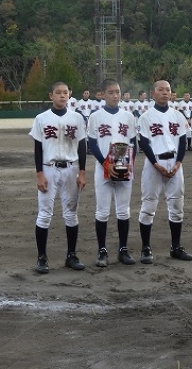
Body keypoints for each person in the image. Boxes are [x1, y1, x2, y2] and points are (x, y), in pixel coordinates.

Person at [29, 81, 88, 274]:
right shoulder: (41, 118)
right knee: (45, 214)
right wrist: (39, 174)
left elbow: (82, 146)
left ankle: (71, 255)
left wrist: (82, 172)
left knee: (71, 213)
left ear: (69, 94)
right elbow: (37, 148)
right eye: (58, 92)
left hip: (71, 168)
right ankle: (42, 257)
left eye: (65, 92)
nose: (62, 95)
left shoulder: (77, 118)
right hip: (49, 168)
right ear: (51, 96)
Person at [137, 80, 192, 264]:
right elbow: (143, 143)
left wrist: (178, 164)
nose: (165, 92)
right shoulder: (146, 117)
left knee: (177, 206)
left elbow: (183, 142)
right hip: (155, 163)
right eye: (160, 90)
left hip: (174, 163)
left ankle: (176, 247)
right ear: (153, 93)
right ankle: (146, 248)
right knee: (148, 206)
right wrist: (155, 164)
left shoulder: (178, 115)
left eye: (167, 90)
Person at [87, 79, 138, 267]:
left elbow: (133, 143)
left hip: (124, 168)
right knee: (102, 212)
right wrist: (105, 164)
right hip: (103, 168)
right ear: (102, 95)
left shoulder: (128, 116)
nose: (115, 95)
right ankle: (102, 251)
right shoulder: (95, 117)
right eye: (111, 92)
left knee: (123, 211)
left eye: (117, 92)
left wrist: (129, 165)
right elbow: (92, 144)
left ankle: (123, 249)